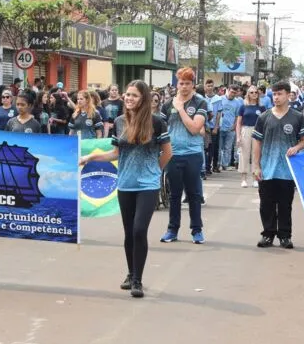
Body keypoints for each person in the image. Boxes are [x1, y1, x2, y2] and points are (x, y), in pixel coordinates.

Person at [79, 80, 171, 298]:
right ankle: (131, 274)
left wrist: (154, 173)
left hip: (147, 185)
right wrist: (90, 157)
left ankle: (138, 279)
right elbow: (115, 153)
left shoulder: (157, 123)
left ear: (144, 99)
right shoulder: (120, 121)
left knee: (140, 230)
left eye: (135, 96)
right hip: (125, 184)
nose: (129, 98)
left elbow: (167, 153)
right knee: (129, 232)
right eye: (127, 94)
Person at [252, 81, 304, 249]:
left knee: (285, 205)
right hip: (267, 169)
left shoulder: (297, 117)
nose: (276, 97)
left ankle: (285, 235)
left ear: (288, 95)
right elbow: (257, 142)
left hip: (287, 170)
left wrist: (297, 147)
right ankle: (268, 234)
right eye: (274, 94)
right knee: (266, 205)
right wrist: (256, 165)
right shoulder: (264, 117)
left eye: (280, 94)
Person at [159, 67, 208, 244]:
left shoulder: (200, 103)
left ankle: (197, 230)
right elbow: (161, 129)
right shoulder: (166, 104)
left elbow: (195, 129)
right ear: (176, 84)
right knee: (174, 194)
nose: (184, 87)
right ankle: (172, 230)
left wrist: (180, 109)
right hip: (172, 154)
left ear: (193, 85)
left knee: (194, 194)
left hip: (193, 154)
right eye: (181, 83)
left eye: (188, 83)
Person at [236, 85, 266, 188]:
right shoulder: (243, 106)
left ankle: (255, 178)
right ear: (248, 94)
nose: (254, 94)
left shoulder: (261, 107)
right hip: (246, 129)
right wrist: (238, 136)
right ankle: (243, 179)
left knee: (256, 155)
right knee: (244, 154)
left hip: (257, 131)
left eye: (255, 92)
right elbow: (238, 122)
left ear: (258, 94)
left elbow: (264, 122)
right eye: (251, 92)